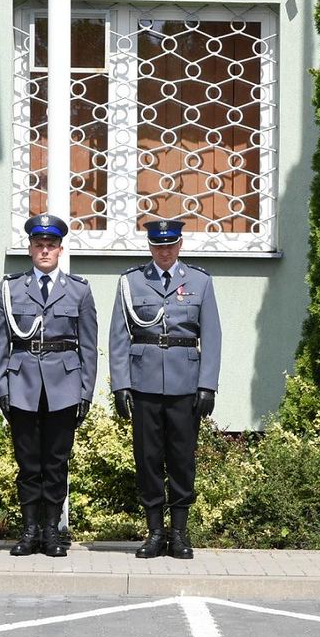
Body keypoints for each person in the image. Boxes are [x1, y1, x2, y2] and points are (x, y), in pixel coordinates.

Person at [108, 218, 222, 559]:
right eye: (158, 246)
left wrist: (207, 385)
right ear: (150, 247)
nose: (165, 252)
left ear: (180, 245)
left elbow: (212, 335)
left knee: (182, 460)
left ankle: (179, 534)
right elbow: (118, 336)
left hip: (185, 384)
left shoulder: (200, 281)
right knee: (148, 459)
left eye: (170, 245)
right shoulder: (131, 281)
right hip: (143, 383)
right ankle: (155, 532)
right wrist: (121, 384)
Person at [0, 214, 97, 558]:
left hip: (64, 386)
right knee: (27, 463)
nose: (45, 250)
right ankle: (29, 530)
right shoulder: (11, 288)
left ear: (61, 250)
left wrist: (85, 391)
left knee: (56, 463)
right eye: (39, 245)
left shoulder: (79, 290)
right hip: (22, 384)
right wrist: (1, 387)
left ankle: (51, 531)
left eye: (51, 245)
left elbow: (89, 345)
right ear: (30, 249)